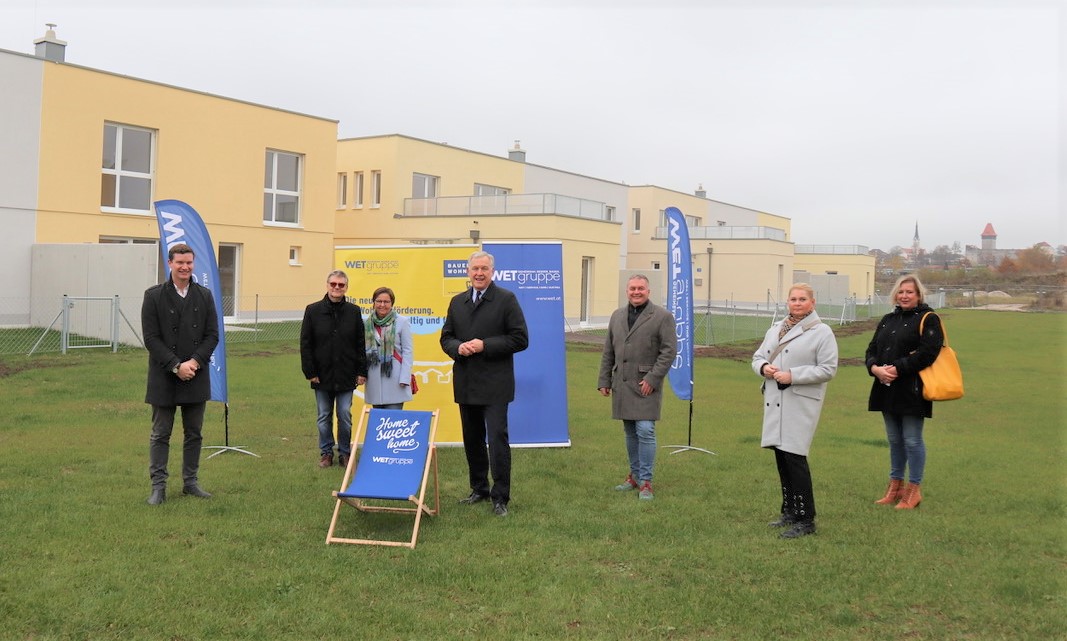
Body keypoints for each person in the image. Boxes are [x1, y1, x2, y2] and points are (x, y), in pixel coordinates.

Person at [440, 251, 529, 517]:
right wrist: (458, 348)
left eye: (484, 269)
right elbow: (446, 338)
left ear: (492, 271)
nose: (479, 273)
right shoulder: (458, 302)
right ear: (468, 272)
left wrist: (484, 345)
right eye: (475, 269)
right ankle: (479, 488)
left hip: (496, 385)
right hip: (466, 383)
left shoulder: (506, 299)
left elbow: (520, 339)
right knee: (472, 439)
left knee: (498, 440)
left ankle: (500, 497)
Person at [752, 283, 838, 538]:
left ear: (812, 303)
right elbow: (757, 357)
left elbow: (828, 369)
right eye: (793, 299)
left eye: (802, 299)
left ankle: (805, 518)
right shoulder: (776, 328)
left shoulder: (822, 332)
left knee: (795, 458)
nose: (797, 303)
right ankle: (789, 511)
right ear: (787, 302)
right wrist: (764, 367)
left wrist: (793, 375)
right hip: (776, 400)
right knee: (781, 456)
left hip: (799, 402)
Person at [142, 243, 220, 506]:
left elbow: (212, 335)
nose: (185, 267)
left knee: (194, 433)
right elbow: (151, 338)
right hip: (164, 374)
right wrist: (177, 365)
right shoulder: (153, 296)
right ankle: (158, 487)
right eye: (180, 263)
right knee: (160, 434)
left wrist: (194, 363)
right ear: (170, 263)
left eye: (189, 263)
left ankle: (191, 482)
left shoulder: (205, 295)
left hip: (195, 374)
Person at [865, 274, 943, 510]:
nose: (905, 296)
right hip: (885, 386)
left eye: (910, 292)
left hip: (912, 389)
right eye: (901, 292)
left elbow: (928, 353)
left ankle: (913, 490)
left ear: (919, 295)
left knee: (911, 439)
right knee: (894, 439)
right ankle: (895, 486)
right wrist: (875, 368)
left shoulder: (929, 319)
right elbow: (872, 349)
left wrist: (896, 369)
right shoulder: (888, 319)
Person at [597, 274, 677, 501]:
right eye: (632, 288)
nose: (636, 292)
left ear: (648, 291)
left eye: (641, 288)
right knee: (630, 431)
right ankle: (634, 476)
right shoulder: (617, 316)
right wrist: (604, 380)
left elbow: (669, 351)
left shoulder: (662, 316)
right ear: (626, 291)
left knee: (645, 430)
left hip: (646, 386)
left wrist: (653, 379)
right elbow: (608, 352)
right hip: (622, 383)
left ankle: (646, 482)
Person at [300, 270, 368, 469]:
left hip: (347, 374)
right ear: (327, 285)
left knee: (345, 415)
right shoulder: (312, 310)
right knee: (323, 417)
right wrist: (310, 372)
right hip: (321, 375)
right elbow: (306, 343)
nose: (337, 288)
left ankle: (345, 453)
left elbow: (360, 343)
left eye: (341, 285)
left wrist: (361, 371)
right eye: (333, 284)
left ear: (346, 287)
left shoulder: (354, 312)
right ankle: (326, 452)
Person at [363, 286, 414, 409]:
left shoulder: (402, 321)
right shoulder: (366, 323)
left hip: (395, 380)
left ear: (392, 304)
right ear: (373, 303)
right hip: (374, 379)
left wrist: (405, 378)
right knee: (379, 423)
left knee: (394, 423)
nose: (382, 305)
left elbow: (408, 351)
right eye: (379, 301)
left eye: (386, 302)